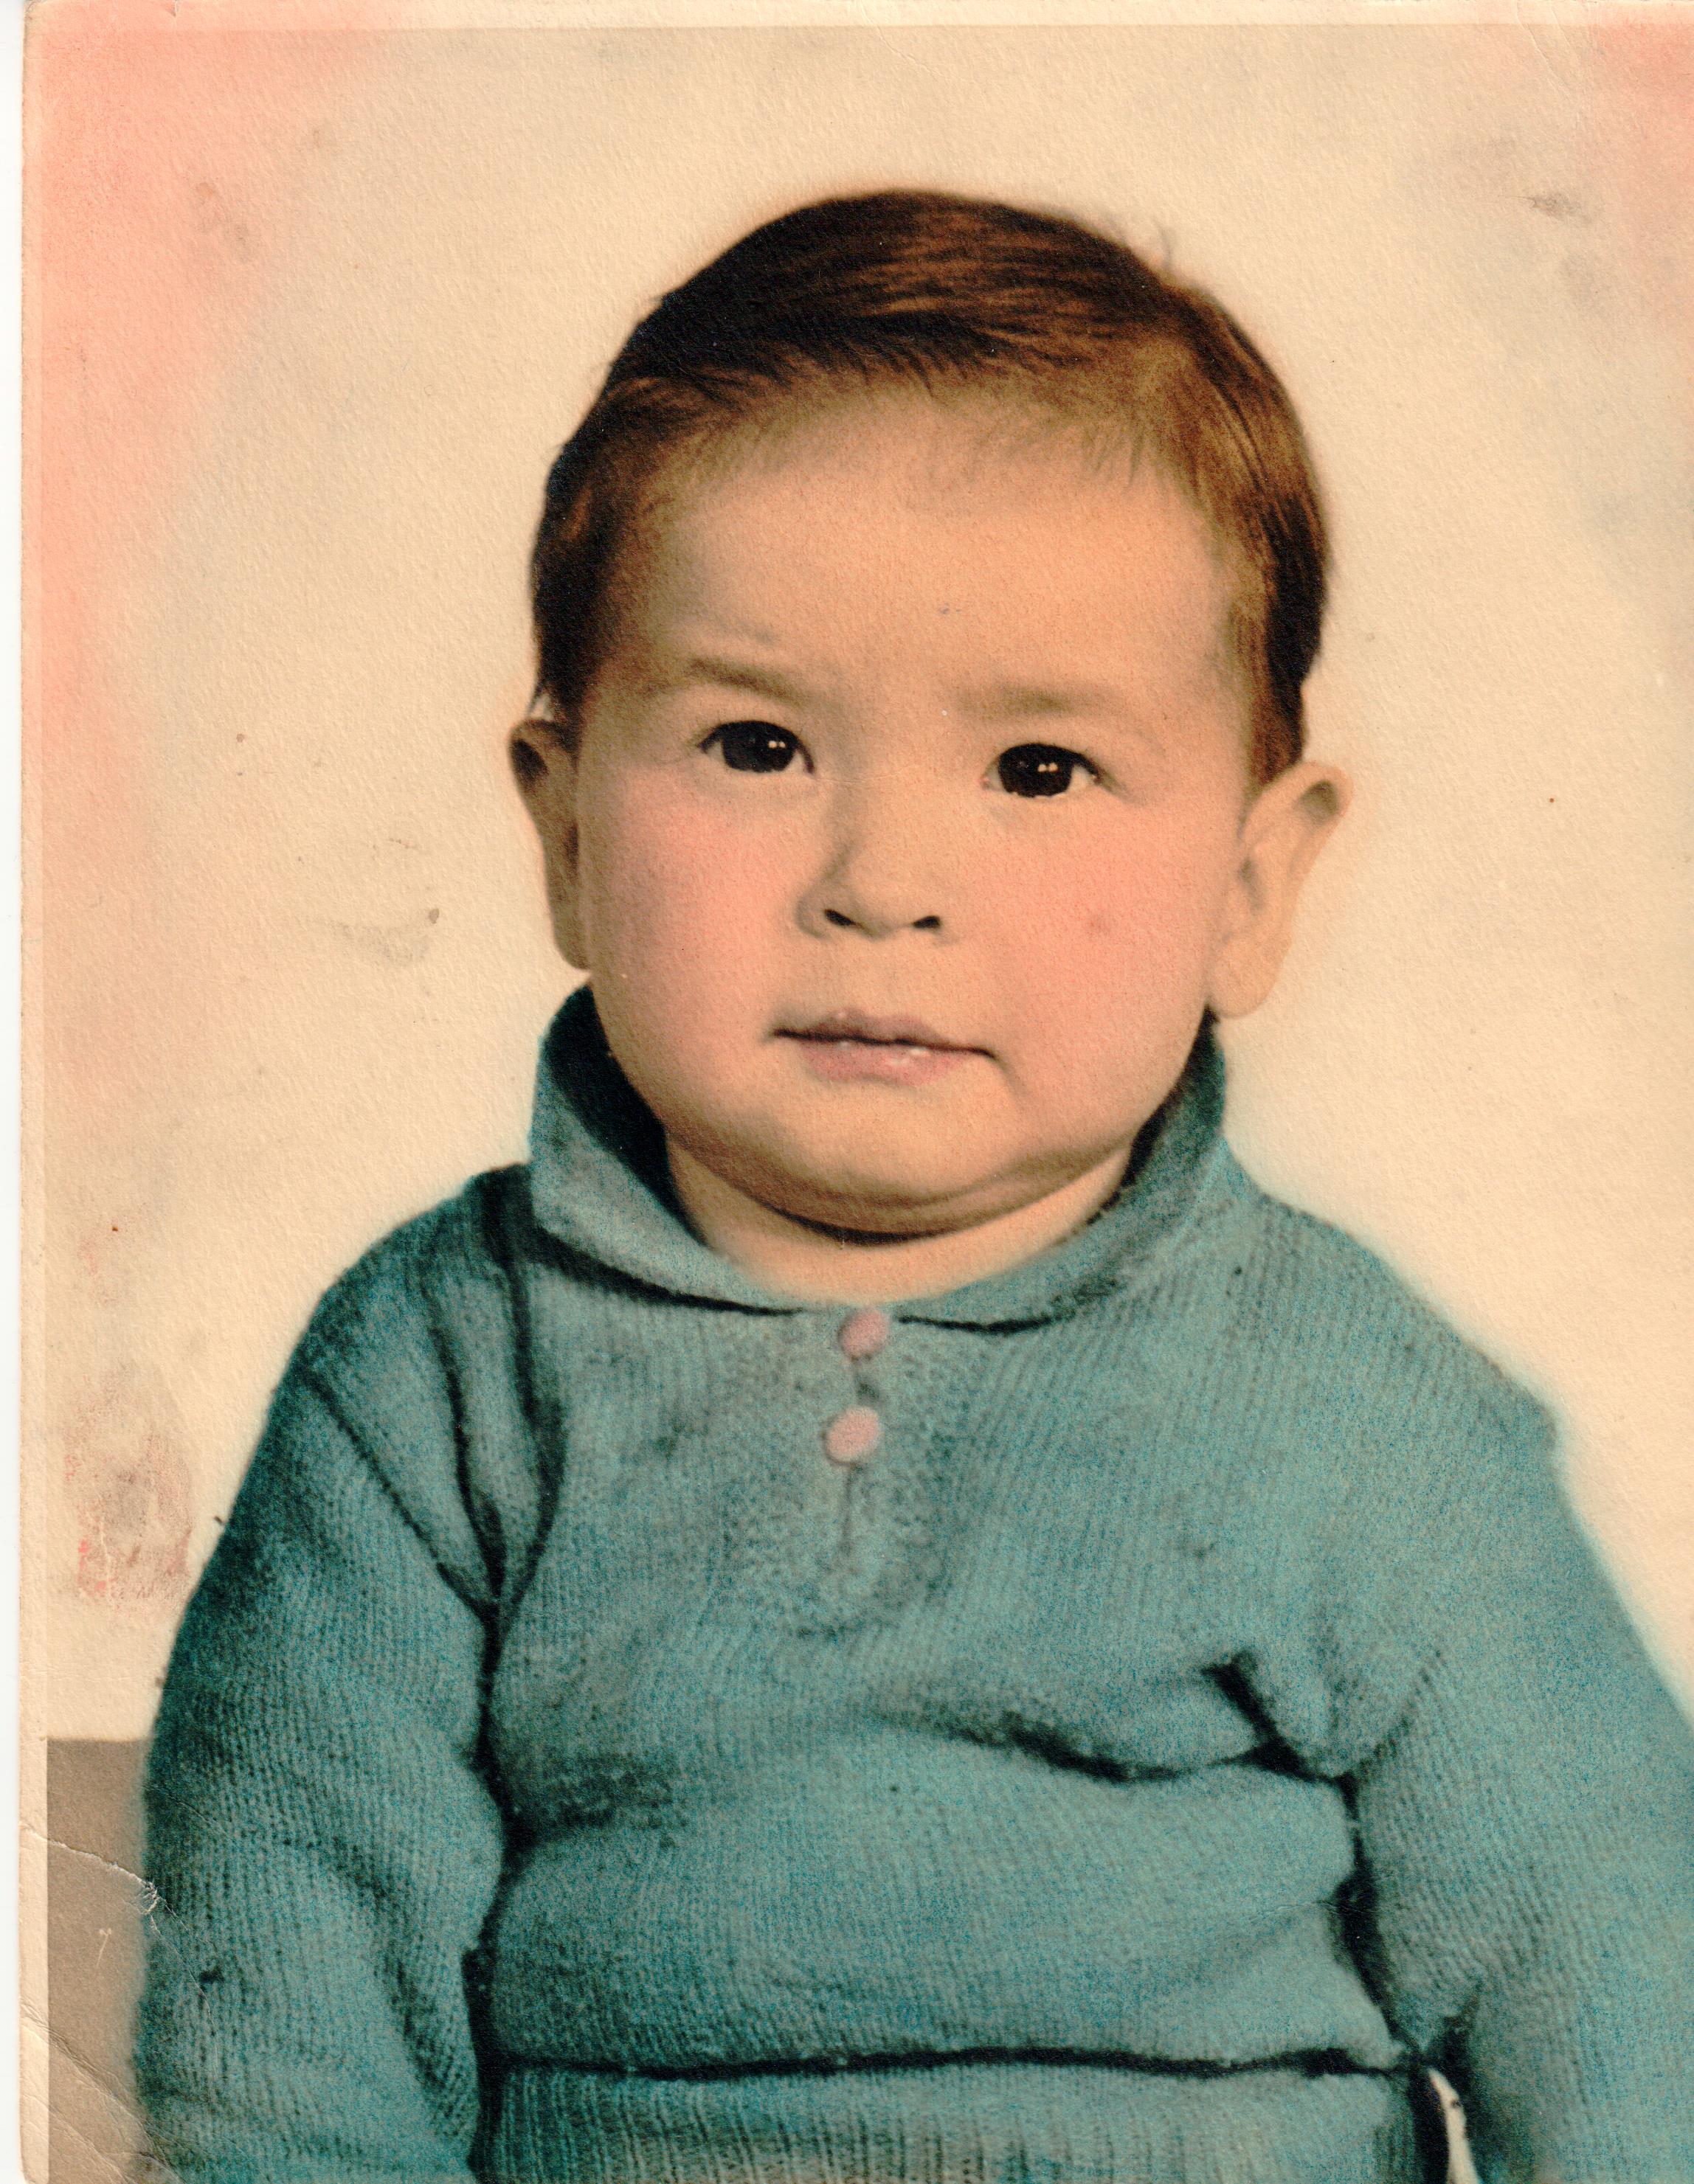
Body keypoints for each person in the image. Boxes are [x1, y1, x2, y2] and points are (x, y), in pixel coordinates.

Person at [135, 190, 1694, 2184]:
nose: (882, 881)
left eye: (1038, 769)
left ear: (1249, 883)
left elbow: (1622, 1985)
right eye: (756, 743)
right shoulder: (436, 1373)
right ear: (565, 833)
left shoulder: (1357, 1411)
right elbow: (288, 2001)